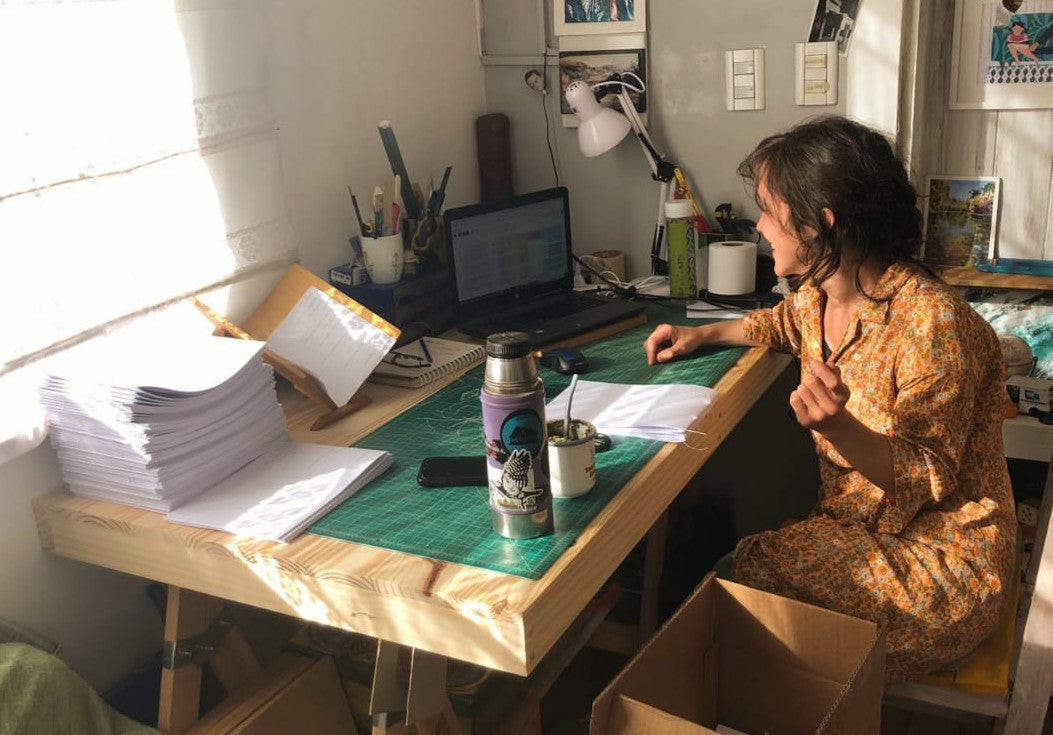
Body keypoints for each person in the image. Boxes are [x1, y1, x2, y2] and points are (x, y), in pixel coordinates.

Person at [643, 116, 1016, 683]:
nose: (761, 226)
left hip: (939, 565)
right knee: (737, 582)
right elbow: (779, 324)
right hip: (859, 529)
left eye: (770, 210)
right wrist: (704, 334)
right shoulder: (820, 293)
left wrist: (840, 428)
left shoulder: (933, 324)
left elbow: (924, 474)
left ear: (822, 224)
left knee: (739, 578)